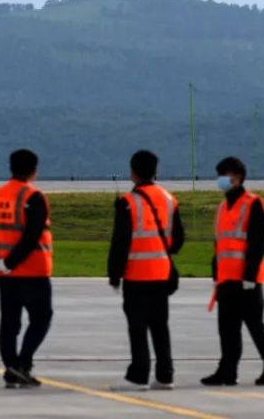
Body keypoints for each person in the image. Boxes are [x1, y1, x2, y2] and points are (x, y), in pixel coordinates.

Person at [202, 156, 264, 386]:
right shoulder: (222, 207)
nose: (220, 180)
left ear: (237, 177)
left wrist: (249, 275)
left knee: (255, 327)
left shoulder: (252, 204)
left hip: (247, 280)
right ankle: (227, 371)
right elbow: (220, 244)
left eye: (224, 176)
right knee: (227, 329)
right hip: (226, 278)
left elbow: (258, 242)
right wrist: (215, 274)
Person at [107, 149, 185, 391]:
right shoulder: (169, 199)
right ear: (155, 171)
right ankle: (165, 375)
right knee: (160, 326)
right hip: (161, 273)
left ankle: (139, 375)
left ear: (133, 172)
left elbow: (120, 241)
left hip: (137, 274)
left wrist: (114, 274)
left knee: (137, 327)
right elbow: (178, 240)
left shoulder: (128, 203)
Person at [0, 148, 54, 389]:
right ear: (34, 169)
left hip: (5, 273)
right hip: (33, 270)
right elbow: (32, 235)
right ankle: (22, 363)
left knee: (9, 323)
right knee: (41, 319)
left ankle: (12, 368)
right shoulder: (34, 196)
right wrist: (12, 262)